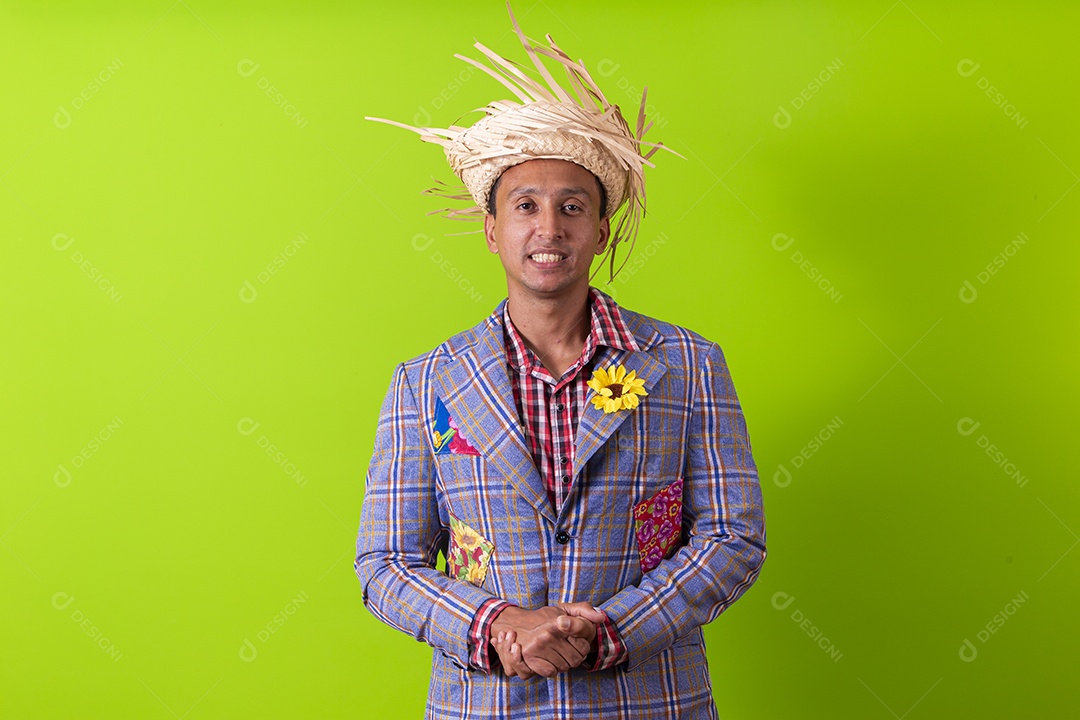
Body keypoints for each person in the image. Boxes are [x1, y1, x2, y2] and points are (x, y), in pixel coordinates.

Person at [355, 5, 766, 718]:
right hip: (486, 703)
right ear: (492, 229)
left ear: (601, 230)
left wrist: (609, 630)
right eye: (526, 205)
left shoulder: (688, 364)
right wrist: (497, 626)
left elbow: (732, 537)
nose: (550, 228)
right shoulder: (426, 384)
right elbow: (385, 565)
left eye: (573, 207)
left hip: (648, 700)